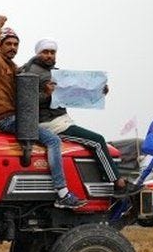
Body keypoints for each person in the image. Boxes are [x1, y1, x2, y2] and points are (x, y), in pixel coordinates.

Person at [0, 16, 81, 209]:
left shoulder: (12, 67)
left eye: (15, 44)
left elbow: (28, 75)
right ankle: (62, 192)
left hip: (17, 117)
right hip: (8, 119)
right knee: (53, 140)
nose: (12, 47)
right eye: (8, 43)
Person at [18, 38, 134, 194]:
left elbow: (70, 93)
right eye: (45, 52)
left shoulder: (53, 73)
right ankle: (118, 183)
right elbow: (27, 102)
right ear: (37, 53)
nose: (49, 55)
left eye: (52, 52)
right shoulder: (33, 73)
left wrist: (96, 91)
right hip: (51, 123)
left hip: (60, 120)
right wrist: (47, 94)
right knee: (97, 141)